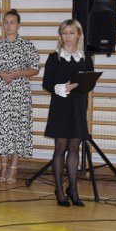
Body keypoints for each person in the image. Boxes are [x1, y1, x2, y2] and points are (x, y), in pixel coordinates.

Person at [0, 9, 41, 184]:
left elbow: (35, 68)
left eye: (12, 22)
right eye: (6, 22)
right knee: (1, 130)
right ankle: (3, 168)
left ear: (18, 25)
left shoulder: (27, 45)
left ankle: (14, 169)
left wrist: (17, 73)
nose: (8, 26)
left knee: (18, 130)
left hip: (19, 94)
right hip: (0, 94)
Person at [42, 19, 93, 206]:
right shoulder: (54, 57)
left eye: (71, 33)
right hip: (60, 107)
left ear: (78, 35)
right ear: (60, 35)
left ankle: (73, 189)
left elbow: (89, 82)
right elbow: (46, 83)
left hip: (77, 106)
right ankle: (58, 189)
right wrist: (62, 87)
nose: (68, 36)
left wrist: (82, 84)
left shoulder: (85, 58)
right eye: (64, 33)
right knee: (60, 148)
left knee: (74, 147)